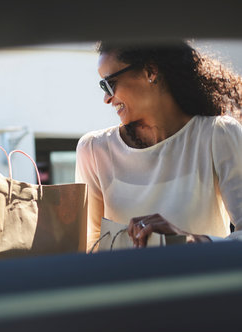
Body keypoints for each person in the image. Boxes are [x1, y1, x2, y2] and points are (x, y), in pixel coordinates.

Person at [75, 40, 242, 252]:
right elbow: (89, 248)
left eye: (109, 83)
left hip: (200, 284)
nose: (107, 98)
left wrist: (187, 239)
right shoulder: (94, 150)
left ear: (150, 71)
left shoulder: (218, 135)